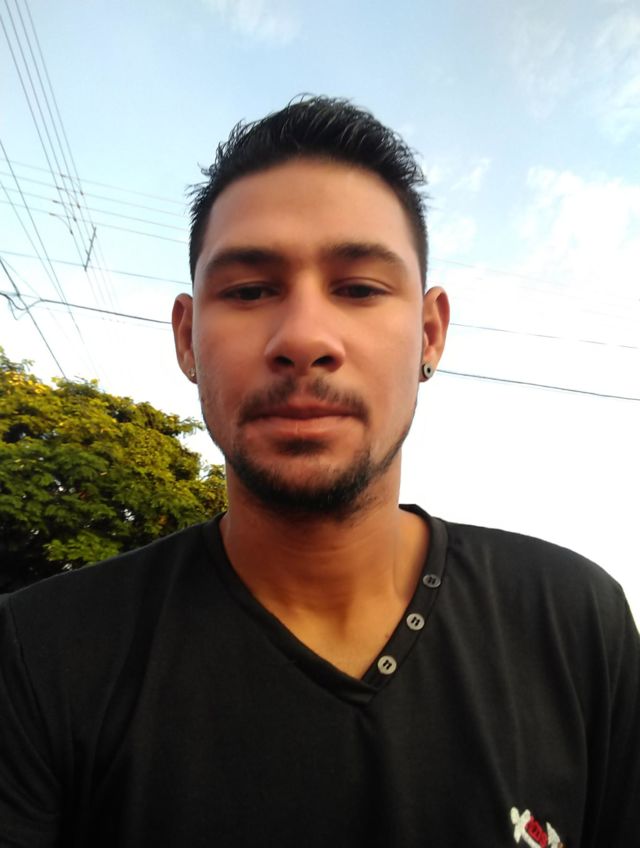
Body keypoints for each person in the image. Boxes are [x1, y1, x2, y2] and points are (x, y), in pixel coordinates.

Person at [0, 96, 638, 848]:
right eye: (249, 291)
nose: (303, 338)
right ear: (188, 338)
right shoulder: (38, 655)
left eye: (359, 288)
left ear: (430, 333)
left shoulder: (575, 621)